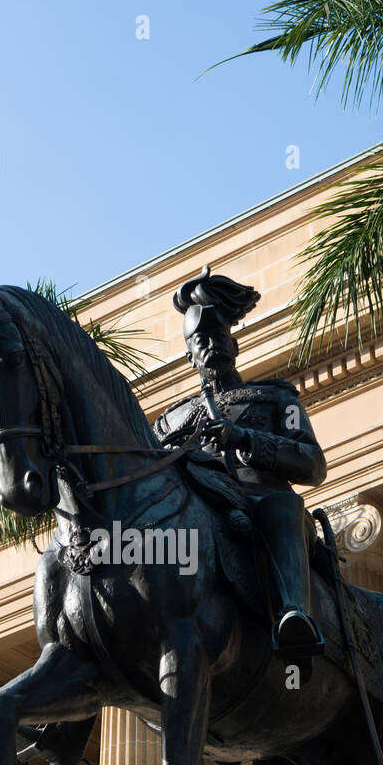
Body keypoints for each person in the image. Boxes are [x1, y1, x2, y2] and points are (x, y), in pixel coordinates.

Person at [153, 265, 326, 659]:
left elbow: (312, 464)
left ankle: (294, 613)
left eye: (218, 335)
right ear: (189, 354)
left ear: (234, 345)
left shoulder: (275, 399)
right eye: (201, 339)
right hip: (199, 510)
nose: (211, 344)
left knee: (283, 507)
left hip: (259, 503)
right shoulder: (168, 423)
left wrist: (246, 438)